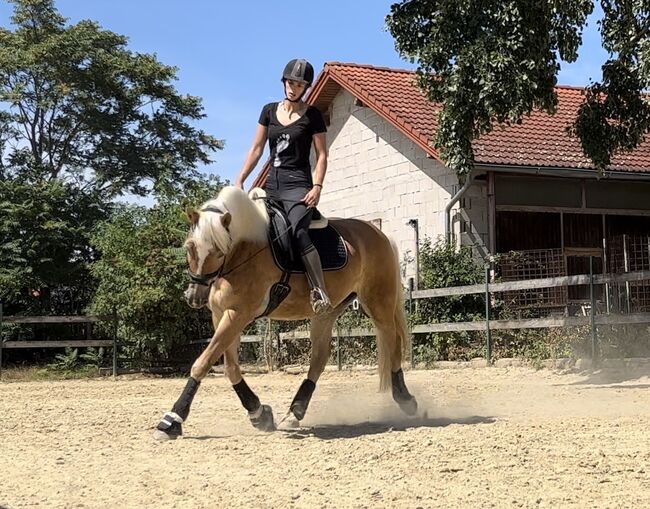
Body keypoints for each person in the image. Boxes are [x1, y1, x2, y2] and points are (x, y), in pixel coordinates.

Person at [235, 58, 331, 314]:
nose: (293, 88)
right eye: (290, 82)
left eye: (299, 84)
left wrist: (317, 186)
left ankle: (319, 290)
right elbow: (256, 149)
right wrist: (241, 178)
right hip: (271, 186)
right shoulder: (268, 111)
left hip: (299, 187)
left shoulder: (313, 116)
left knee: (298, 232)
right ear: (284, 82)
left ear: (306, 88)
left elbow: (321, 155)